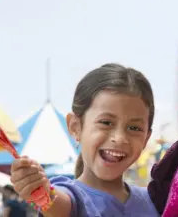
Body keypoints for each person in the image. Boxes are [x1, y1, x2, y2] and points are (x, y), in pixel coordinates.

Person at [9, 63, 160, 216]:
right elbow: (56, 204)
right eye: (106, 123)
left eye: (134, 128)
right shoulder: (71, 196)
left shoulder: (156, 201)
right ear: (76, 127)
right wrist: (40, 190)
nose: (119, 138)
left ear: (146, 137)